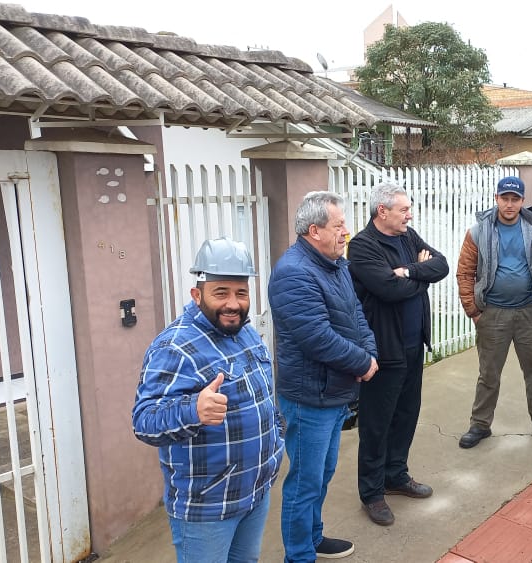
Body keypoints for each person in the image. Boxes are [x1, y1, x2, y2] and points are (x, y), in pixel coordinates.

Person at [133, 237, 284, 563]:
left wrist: (276, 445)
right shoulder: (175, 346)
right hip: (207, 506)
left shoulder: (243, 331)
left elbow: (264, 398)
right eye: (221, 293)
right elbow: (144, 421)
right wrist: (193, 410)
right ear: (197, 294)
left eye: (241, 293)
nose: (233, 303)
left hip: (254, 493)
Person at [269, 192, 378, 562]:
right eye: (339, 225)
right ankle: (299, 555)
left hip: (333, 392)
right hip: (309, 397)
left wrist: (369, 353)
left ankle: (312, 538)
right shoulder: (293, 273)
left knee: (323, 474)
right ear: (314, 230)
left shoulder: (335, 264)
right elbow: (317, 338)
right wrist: (361, 363)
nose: (346, 231)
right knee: (304, 482)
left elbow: (356, 316)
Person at [347, 182, 450, 526]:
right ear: (383, 211)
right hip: (384, 349)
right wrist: (418, 277)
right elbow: (388, 290)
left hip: (412, 345)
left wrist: (410, 271)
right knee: (377, 423)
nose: (411, 215)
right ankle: (372, 493)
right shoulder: (362, 247)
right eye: (404, 209)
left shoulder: (408, 236)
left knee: (406, 414)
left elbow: (442, 264)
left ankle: (396, 475)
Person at [456, 176, 532, 450]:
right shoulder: (478, 231)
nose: (509, 204)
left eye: (515, 199)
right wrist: (473, 310)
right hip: (493, 315)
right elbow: (465, 272)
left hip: (530, 313)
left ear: (522, 201)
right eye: (505, 198)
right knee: (488, 374)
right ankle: (480, 424)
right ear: (497, 198)